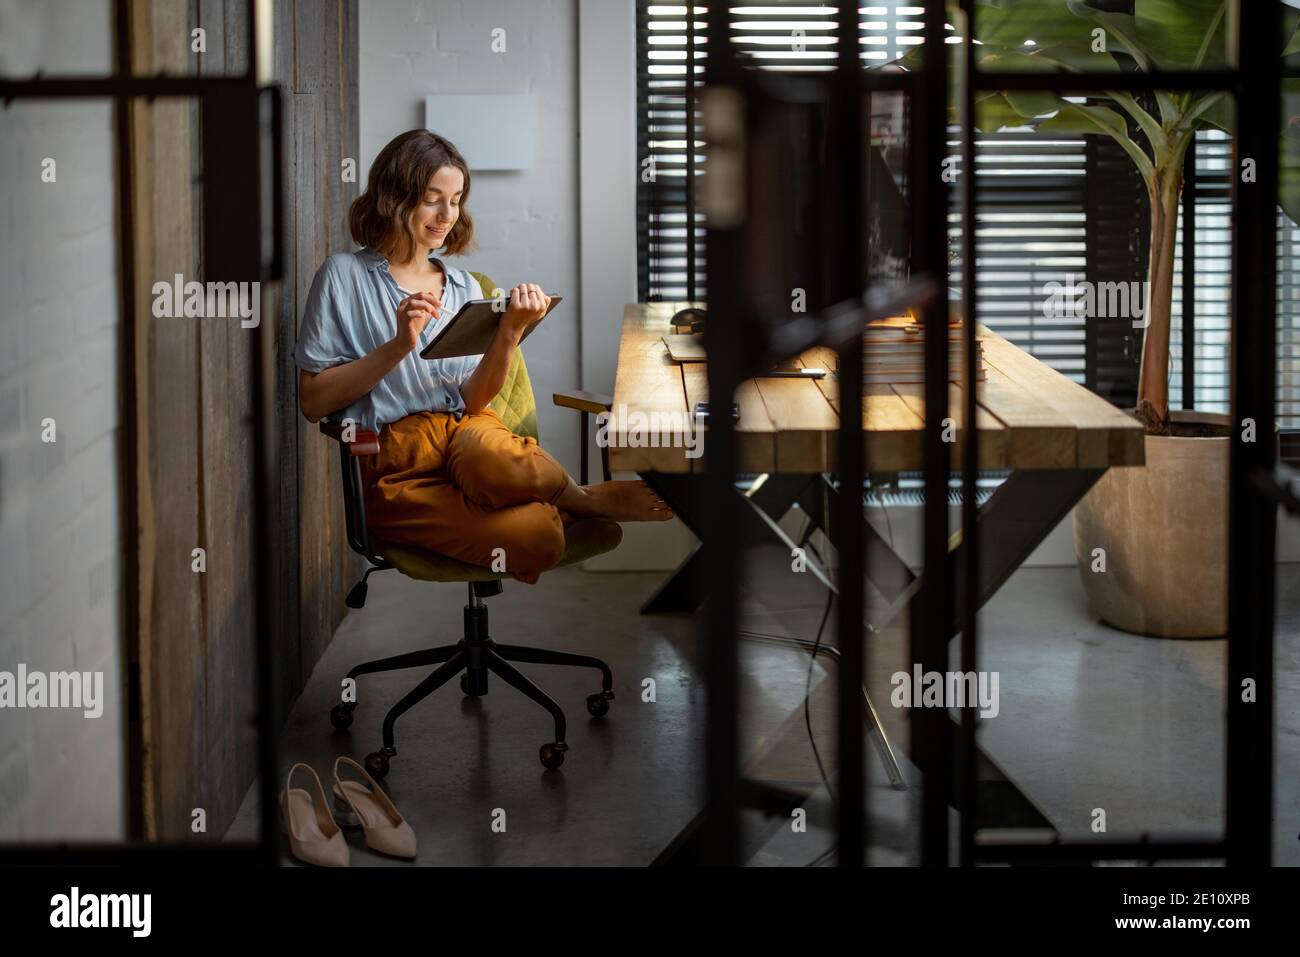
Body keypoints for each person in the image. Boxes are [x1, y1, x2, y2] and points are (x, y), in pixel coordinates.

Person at [295, 129, 671, 584]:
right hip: (399, 462)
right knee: (540, 539)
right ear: (395, 197)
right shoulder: (342, 276)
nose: (445, 215)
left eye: (455, 200)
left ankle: (569, 497)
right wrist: (397, 347)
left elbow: (473, 401)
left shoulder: (465, 288)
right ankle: (577, 501)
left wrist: (511, 331)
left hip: (467, 432)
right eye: (432, 198)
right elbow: (313, 403)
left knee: (493, 459)